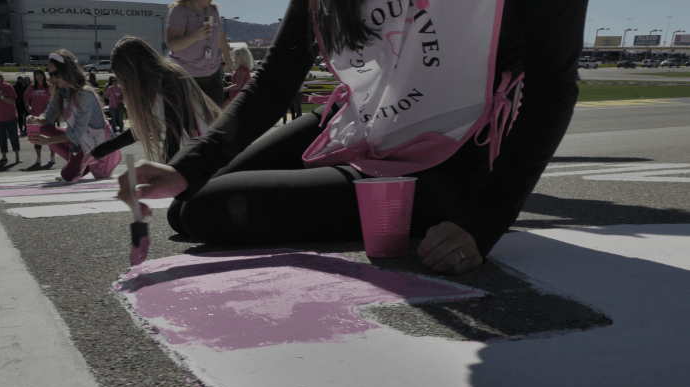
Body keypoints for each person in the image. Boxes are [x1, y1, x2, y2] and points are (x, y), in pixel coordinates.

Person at [119, 0, 589, 275]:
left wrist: (486, 219)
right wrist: (184, 166)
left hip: (450, 156)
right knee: (185, 203)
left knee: (204, 212)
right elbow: (277, 78)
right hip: (360, 121)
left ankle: (420, 207)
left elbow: (552, 89)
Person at [90, 37, 221, 166]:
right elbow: (140, 130)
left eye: (124, 78)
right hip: (199, 152)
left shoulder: (169, 82)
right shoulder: (156, 84)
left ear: (133, 73)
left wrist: (166, 173)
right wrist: (98, 152)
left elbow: (173, 134)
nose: (124, 85)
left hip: (211, 152)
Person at [26, 50, 113, 182]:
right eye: (50, 74)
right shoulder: (60, 93)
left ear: (68, 71)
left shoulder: (84, 94)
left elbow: (76, 133)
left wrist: (48, 141)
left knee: (67, 175)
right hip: (82, 143)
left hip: (97, 145)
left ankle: (85, 163)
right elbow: (48, 118)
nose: (54, 78)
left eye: (57, 74)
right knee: (42, 130)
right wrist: (36, 119)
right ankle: (78, 161)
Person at [165, 0, 234, 106]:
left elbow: (220, 35)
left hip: (213, 75)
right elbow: (172, 45)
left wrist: (228, 58)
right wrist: (194, 37)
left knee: (215, 119)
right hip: (185, 77)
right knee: (188, 120)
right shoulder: (179, 10)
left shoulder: (212, 10)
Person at [24, 69, 55, 166]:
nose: (38, 76)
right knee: (36, 137)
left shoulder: (49, 86)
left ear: (43, 75)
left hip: (48, 116)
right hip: (35, 116)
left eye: (40, 74)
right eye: (36, 74)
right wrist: (27, 105)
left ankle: (52, 156)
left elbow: (54, 97)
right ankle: (38, 157)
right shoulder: (32, 87)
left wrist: (48, 107)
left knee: (50, 136)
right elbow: (25, 95)